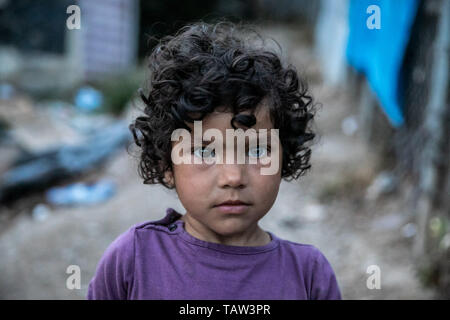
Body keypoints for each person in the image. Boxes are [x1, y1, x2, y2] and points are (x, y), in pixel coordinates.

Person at [87, 21, 342, 300]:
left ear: (284, 157)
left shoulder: (308, 275)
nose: (233, 177)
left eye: (257, 151)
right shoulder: (133, 261)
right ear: (166, 165)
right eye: (205, 152)